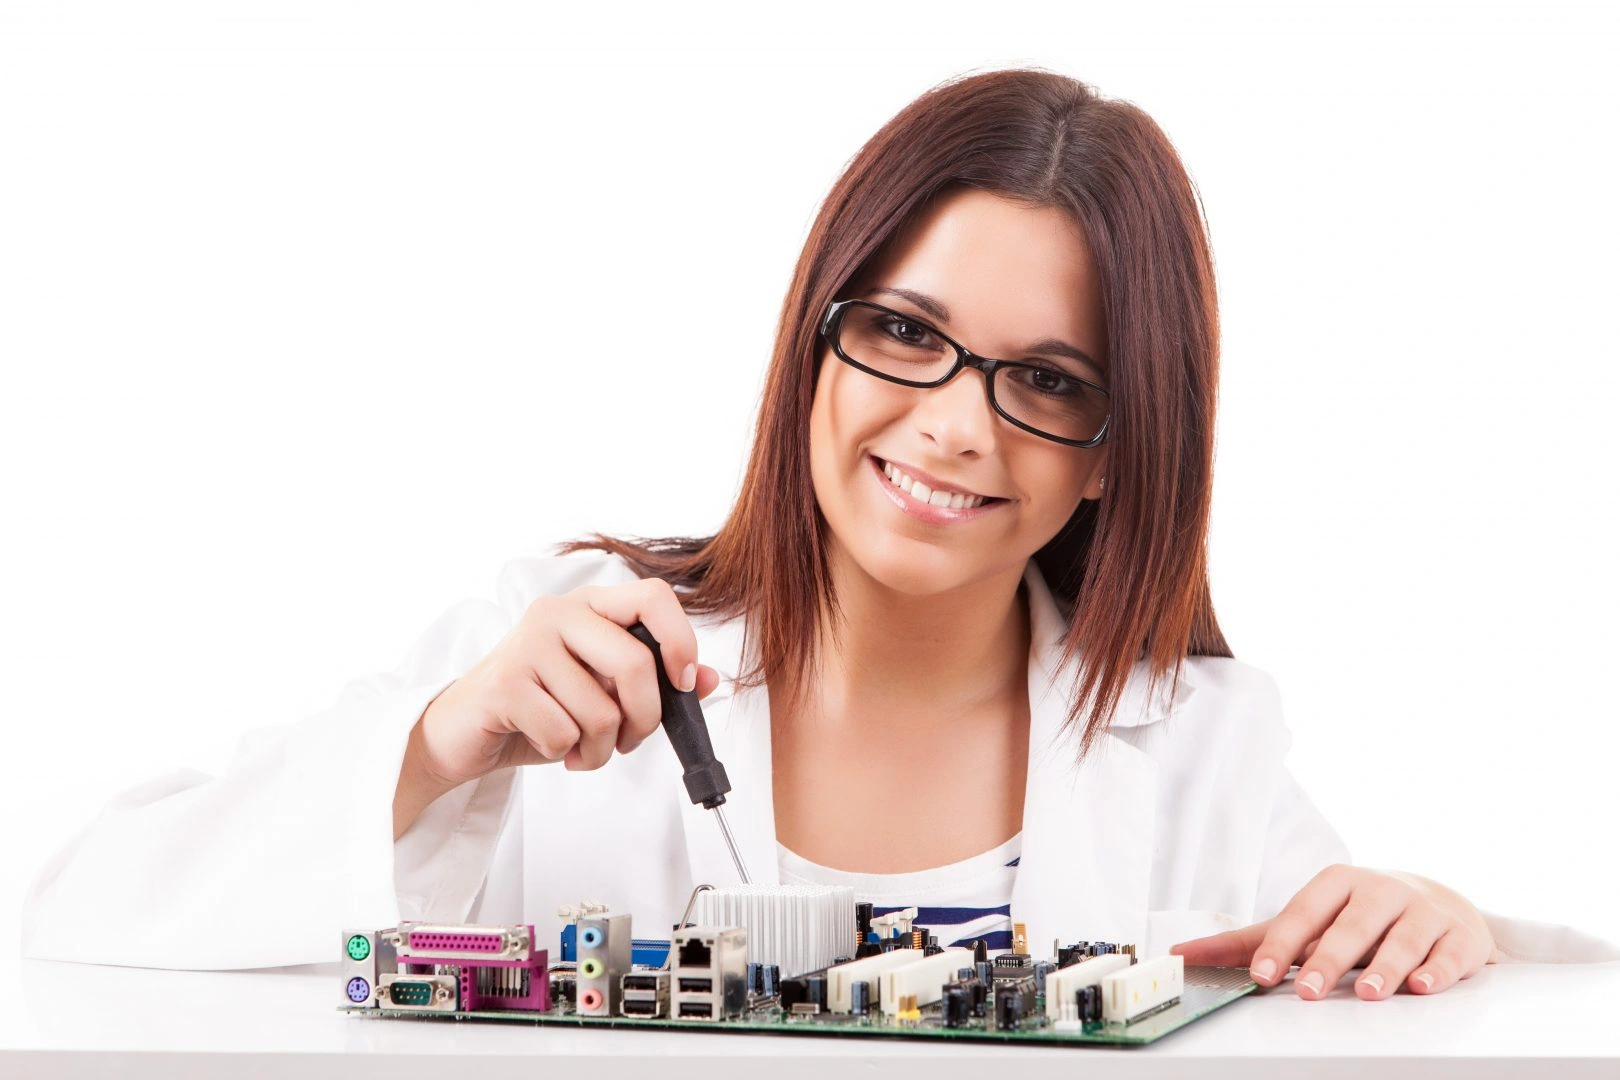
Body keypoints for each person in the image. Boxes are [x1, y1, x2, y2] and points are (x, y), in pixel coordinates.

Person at [22, 67, 1619, 998]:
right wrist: (442, 740)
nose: (953, 425)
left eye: (1047, 380)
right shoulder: (574, 641)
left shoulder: (1196, 745)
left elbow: (1413, 988)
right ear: (814, 340)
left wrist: (1446, 933)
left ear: (1121, 457)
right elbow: (87, 908)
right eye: (906, 335)